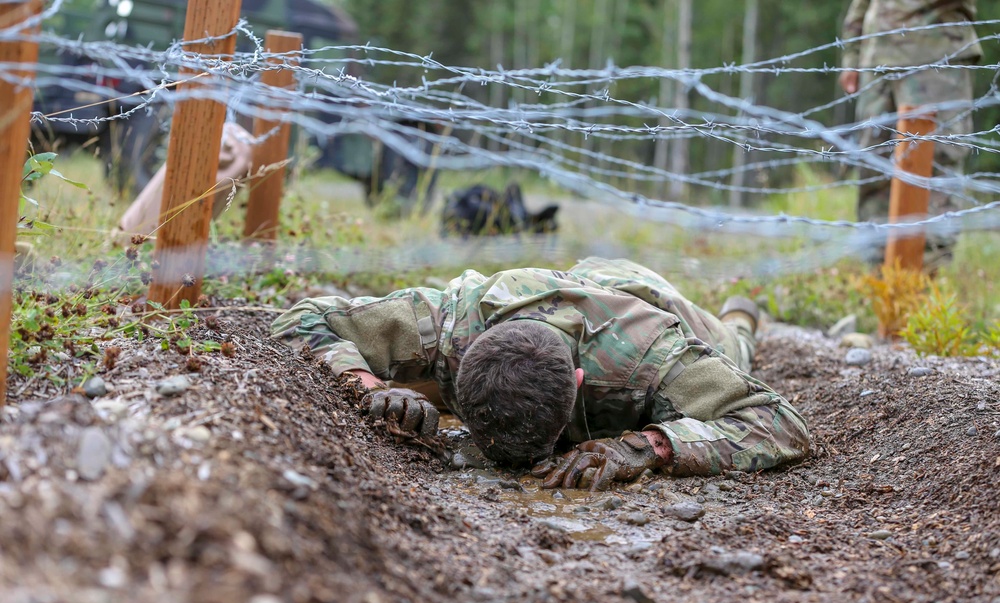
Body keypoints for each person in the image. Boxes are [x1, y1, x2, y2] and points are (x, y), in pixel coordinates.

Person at [270, 257, 811, 490]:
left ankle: (743, 311)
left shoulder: (655, 359)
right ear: (460, 366)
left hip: (648, 298)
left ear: (578, 385)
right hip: (572, 281)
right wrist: (369, 389)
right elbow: (303, 317)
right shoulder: (449, 320)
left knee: (735, 346)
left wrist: (644, 448)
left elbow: (781, 424)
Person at [839, 0, 982, 266]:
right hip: (876, 57)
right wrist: (853, 50)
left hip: (935, 52)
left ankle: (926, 277)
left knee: (934, 166)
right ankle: (880, 279)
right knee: (874, 165)